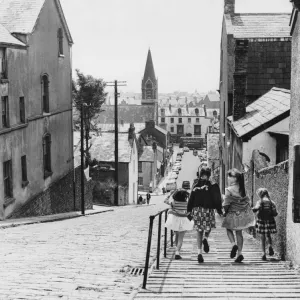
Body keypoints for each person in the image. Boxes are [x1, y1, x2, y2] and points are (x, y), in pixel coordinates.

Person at [187, 166, 223, 263]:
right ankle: (206, 238)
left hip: (197, 210)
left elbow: (191, 199)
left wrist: (189, 210)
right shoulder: (213, 185)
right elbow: (217, 199)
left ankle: (199, 253)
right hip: (208, 210)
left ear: (200, 175)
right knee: (208, 226)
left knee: (199, 231)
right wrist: (219, 210)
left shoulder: (195, 185)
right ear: (208, 175)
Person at [222, 168, 256, 263]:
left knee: (228, 229)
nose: (228, 178)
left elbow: (226, 204)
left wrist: (224, 212)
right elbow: (247, 201)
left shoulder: (228, 190)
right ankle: (239, 253)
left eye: (230, 176)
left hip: (232, 213)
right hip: (241, 215)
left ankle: (233, 245)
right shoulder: (243, 189)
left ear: (235, 178)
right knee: (239, 233)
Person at [165, 189, 194, 259]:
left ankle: (176, 249)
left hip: (175, 220)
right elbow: (190, 209)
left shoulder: (173, 202)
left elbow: (165, 201)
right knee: (181, 238)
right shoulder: (187, 203)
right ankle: (177, 252)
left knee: (176, 235)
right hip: (184, 220)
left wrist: (170, 194)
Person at [252, 188, 278, 261]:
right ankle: (270, 245)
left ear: (260, 195)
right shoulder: (271, 202)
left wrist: (253, 209)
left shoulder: (260, 202)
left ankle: (263, 253)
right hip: (270, 221)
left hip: (261, 221)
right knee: (268, 235)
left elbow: (256, 208)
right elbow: (275, 213)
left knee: (262, 237)